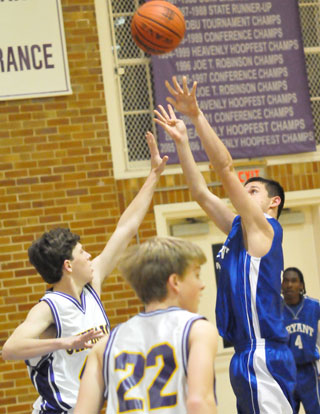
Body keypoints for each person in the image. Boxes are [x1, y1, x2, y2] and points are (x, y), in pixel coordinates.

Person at [154, 75, 296, 414]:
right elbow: (201, 193)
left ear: (273, 203)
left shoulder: (266, 229)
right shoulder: (238, 229)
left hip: (265, 352)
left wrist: (196, 115)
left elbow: (225, 167)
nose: (243, 195)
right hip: (244, 354)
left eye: (253, 192)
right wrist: (182, 142)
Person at [2, 132, 168, 414]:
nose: (90, 255)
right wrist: (66, 342)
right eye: (82, 252)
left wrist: (153, 175)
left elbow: (125, 229)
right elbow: (9, 349)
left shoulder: (92, 284)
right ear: (68, 265)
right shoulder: (49, 308)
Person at [74, 236, 218, 414]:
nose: (201, 285)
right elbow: (198, 402)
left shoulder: (104, 345)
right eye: (196, 274)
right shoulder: (197, 330)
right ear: (175, 282)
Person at [282, 266, 320, 414]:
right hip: (286, 372)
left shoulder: (315, 307)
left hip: (309, 370)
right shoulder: (275, 311)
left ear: (301, 285)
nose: (289, 284)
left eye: (294, 281)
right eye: (286, 280)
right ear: (281, 285)